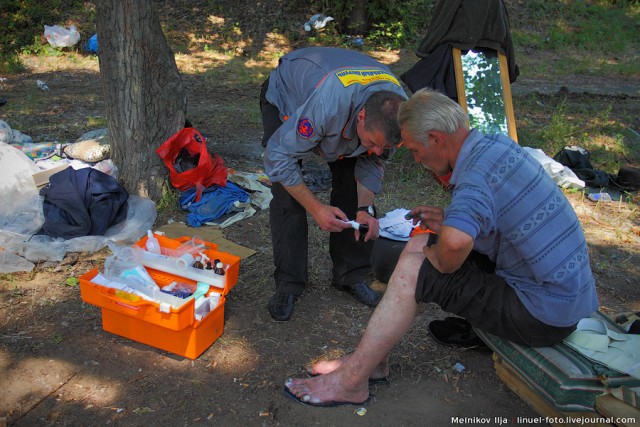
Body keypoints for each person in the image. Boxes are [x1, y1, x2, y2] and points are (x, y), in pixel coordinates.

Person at [283, 88, 599, 406]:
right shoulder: (493, 145)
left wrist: (440, 253)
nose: (417, 160)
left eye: (417, 151)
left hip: (542, 315)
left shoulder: (473, 177)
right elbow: (500, 218)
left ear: (435, 138)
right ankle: (372, 362)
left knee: (415, 267)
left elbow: (456, 243)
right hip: (560, 294)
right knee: (420, 241)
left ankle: (352, 381)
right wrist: (449, 220)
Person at [260, 47, 408, 322]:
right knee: (288, 194)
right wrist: (316, 208)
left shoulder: (400, 115)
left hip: (341, 109)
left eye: (383, 146)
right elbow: (279, 157)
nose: (377, 151)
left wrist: (366, 209)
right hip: (289, 96)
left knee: (351, 187)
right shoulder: (328, 106)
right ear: (361, 117)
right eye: (373, 143)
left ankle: (349, 274)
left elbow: (372, 161)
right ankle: (289, 283)